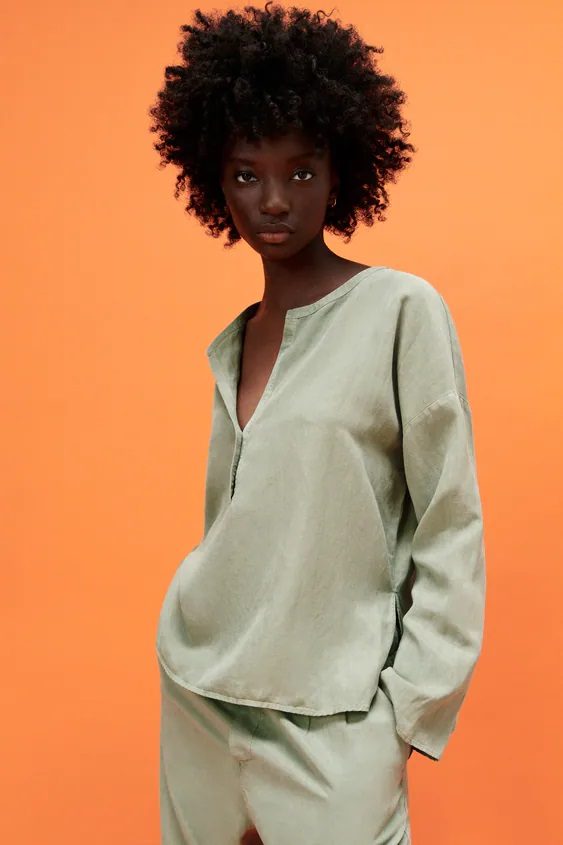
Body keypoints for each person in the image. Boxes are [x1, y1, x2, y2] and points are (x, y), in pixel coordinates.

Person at [147, 3, 487, 843]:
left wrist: (405, 715)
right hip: (198, 702)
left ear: (340, 172)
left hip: (334, 723)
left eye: (300, 173)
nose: (272, 199)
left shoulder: (399, 310)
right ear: (212, 180)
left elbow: (450, 521)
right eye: (245, 174)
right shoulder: (235, 342)